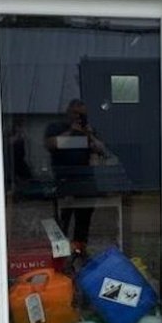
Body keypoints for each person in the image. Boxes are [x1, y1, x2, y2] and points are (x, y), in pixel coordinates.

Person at [45, 99, 106, 242]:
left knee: (83, 223)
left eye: (82, 115)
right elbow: (50, 144)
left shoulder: (88, 131)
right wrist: (71, 131)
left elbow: (102, 150)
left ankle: (79, 251)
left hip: (85, 182)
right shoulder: (56, 127)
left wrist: (89, 134)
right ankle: (60, 254)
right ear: (68, 112)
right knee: (62, 223)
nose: (78, 117)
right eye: (76, 113)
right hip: (63, 181)